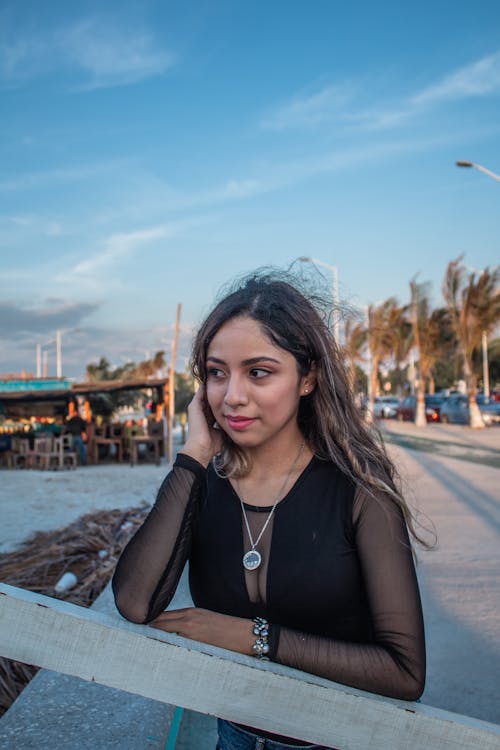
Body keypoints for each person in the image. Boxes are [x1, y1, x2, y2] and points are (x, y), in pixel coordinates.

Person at [112, 272, 427, 750]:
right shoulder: (203, 482)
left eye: (258, 372)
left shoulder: (360, 493)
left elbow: (405, 672)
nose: (232, 396)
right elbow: (135, 603)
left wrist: (253, 637)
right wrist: (193, 456)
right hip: (233, 737)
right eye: (217, 373)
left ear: (309, 378)